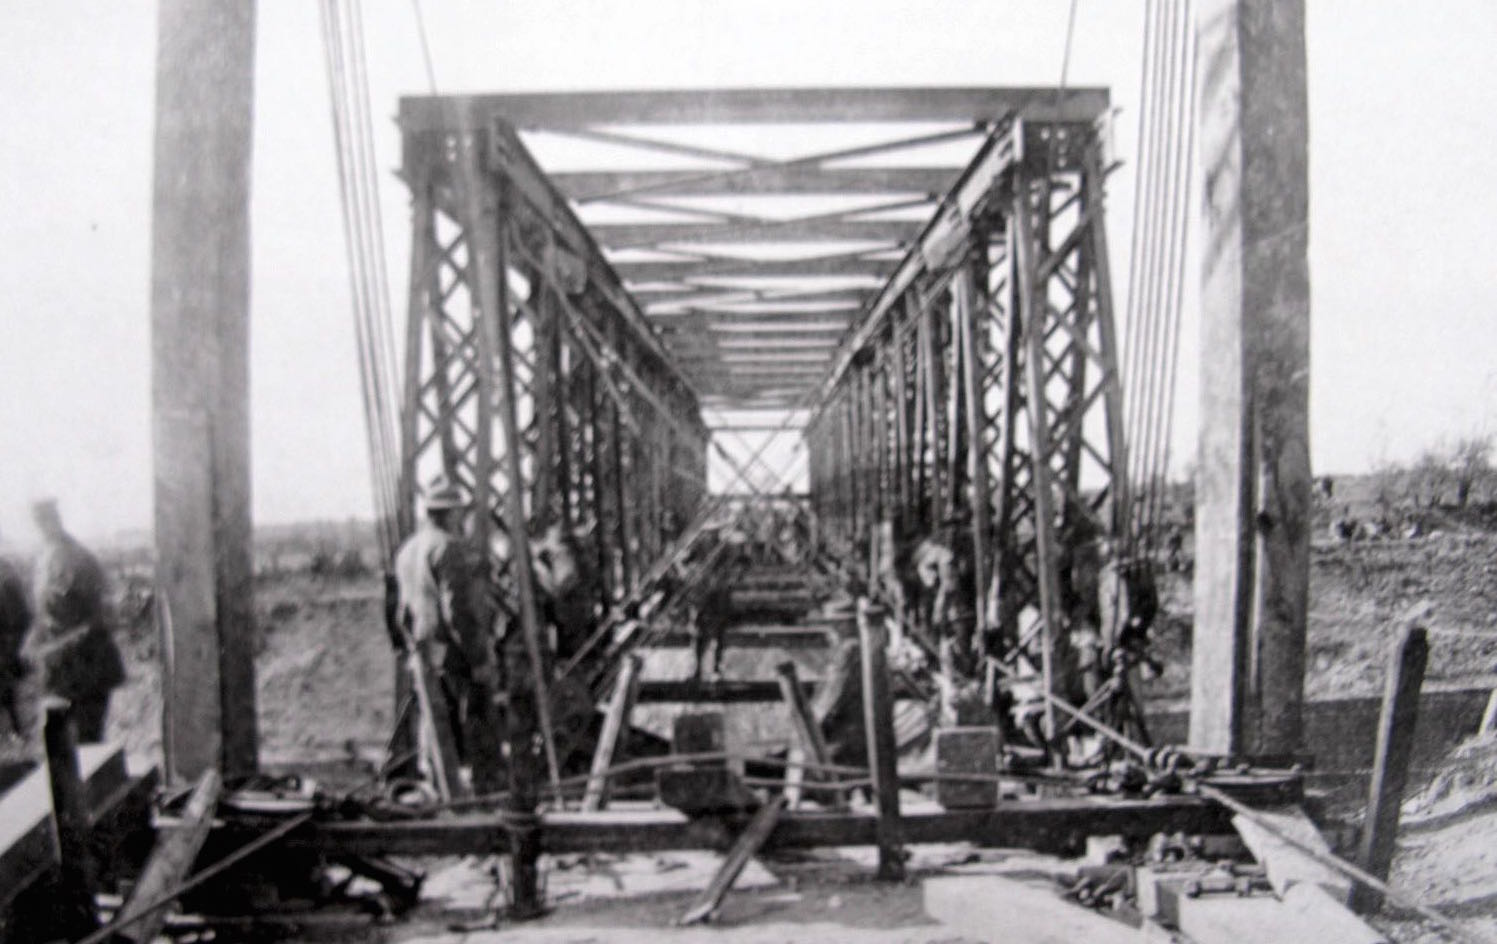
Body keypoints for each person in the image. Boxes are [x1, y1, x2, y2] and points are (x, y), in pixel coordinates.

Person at [392, 476, 499, 772]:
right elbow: (458, 612)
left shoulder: (407, 550)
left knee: (433, 721)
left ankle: (435, 783)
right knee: (471, 723)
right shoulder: (448, 548)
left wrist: (413, 645)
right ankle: (476, 790)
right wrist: (478, 659)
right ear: (451, 513)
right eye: (459, 513)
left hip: (423, 649)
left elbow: (400, 611)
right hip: (452, 653)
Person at [25, 499, 125, 743]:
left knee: (86, 744)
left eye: (45, 519)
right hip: (61, 671)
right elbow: (45, 613)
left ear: (54, 518)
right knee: (63, 746)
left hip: (87, 666)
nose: (41, 526)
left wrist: (57, 648)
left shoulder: (78, 559)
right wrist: (32, 641)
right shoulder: (45, 557)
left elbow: (100, 617)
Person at [0, 543, 32, 737]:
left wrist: (12, 648)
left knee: (6, 687)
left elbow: (19, 617)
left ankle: (16, 728)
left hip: (5, 641)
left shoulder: (5, 574)